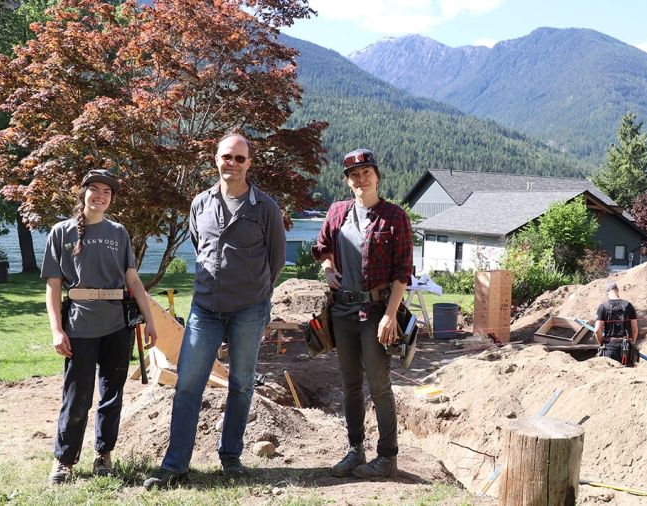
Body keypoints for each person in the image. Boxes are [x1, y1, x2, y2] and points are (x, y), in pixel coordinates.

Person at [144, 132, 286, 490]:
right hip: (204, 310)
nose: (232, 164)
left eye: (240, 158)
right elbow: (199, 245)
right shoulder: (200, 204)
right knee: (188, 384)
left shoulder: (265, 208)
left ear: (249, 164)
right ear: (216, 159)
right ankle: (175, 465)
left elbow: (277, 260)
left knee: (240, 384)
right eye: (227, 157)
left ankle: (231, 457)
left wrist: (258, 296)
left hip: (249, 311)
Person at [42, 169, 159, 485]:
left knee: (112, 394)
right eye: (94, 189)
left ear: (112, 198)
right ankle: (64, 460)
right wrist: (56, 330)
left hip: (116, 327)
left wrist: (150, 320)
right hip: (79, 327)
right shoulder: (61, 233)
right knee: (77, 396)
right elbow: (54, 286)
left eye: (107, 192)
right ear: (83, 193)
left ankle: (103, 455)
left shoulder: (119, 232)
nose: (100, 195)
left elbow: (132, 280)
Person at [312, 148, 413, 479]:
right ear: (347, 181)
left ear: (377, 176)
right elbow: (323, 246)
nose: (361, 178)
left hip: (375, 311)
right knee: (350, 383)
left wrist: (390, 316)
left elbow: (402, 272)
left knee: (379, 384)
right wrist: (328, 269)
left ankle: (387, 457)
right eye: (354, 175)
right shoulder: (337, 212)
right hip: (341, 310)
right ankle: (355, 450)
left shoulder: (395, 217)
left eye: (366, 172)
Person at [595, 282, 639, 365]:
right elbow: (635, 330)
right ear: (617, 291)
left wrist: (601, 343)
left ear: (607, 292)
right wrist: (631, 343)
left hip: (609, 347)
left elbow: (597, 330)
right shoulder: (629, 305)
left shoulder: (603, 307)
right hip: (626, 348)